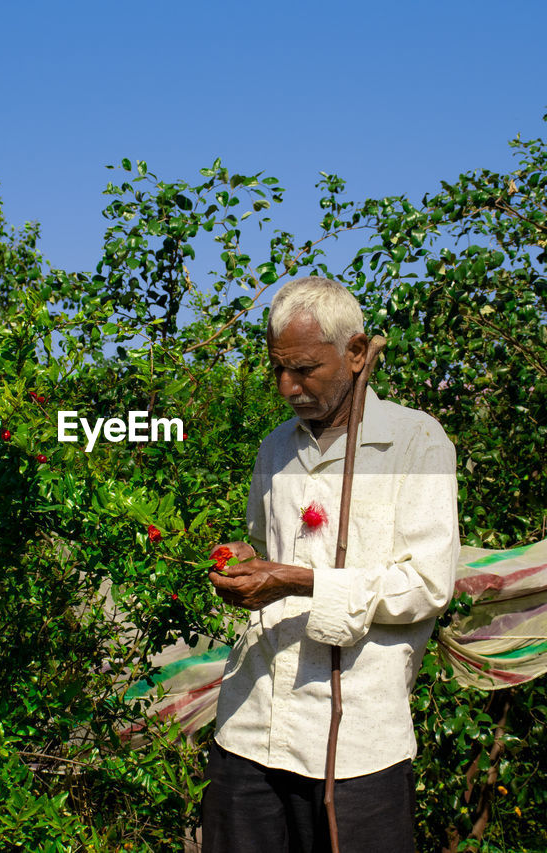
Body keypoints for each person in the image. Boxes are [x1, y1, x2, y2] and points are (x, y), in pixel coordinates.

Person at [203, 276, 460, 853]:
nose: (288, 387)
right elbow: (263, 544)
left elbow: (427, 585)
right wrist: (247, 563)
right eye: (277, 370)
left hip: (356, 743)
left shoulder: (416, 444)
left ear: (356, 352)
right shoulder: (275, 448)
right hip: (253, 723)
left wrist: (298, 581)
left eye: (305, 369)